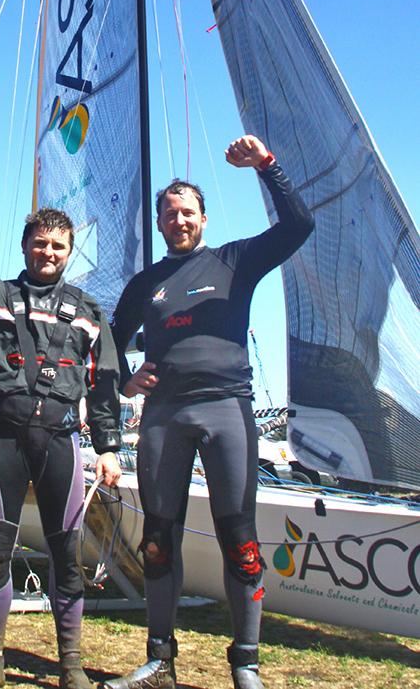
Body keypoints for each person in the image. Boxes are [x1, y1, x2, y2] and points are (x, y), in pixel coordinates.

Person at [107, 136, 314, 689]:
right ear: (158, 222)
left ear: (203, 218)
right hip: (164, 417)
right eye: (169, 213)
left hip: (227, 411)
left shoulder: (235, 261)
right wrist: (123, 381)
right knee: (157, 540)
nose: (179, 220)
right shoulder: (144, 284)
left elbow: (299, 226)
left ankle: (245, 663)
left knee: (240, 541)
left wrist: (267, 166)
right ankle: (159, 661)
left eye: (188, 212)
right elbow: (105, 342)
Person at [0, 178, 122, 689]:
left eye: (58, 245)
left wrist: (108, 448)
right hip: (4, 438)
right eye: (40, 243)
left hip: (60, 441)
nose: (48, 252)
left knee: (66, 554)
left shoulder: (89, 312)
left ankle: (71, 666)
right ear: (25, 246)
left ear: (69, 251)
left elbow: (103, 384)